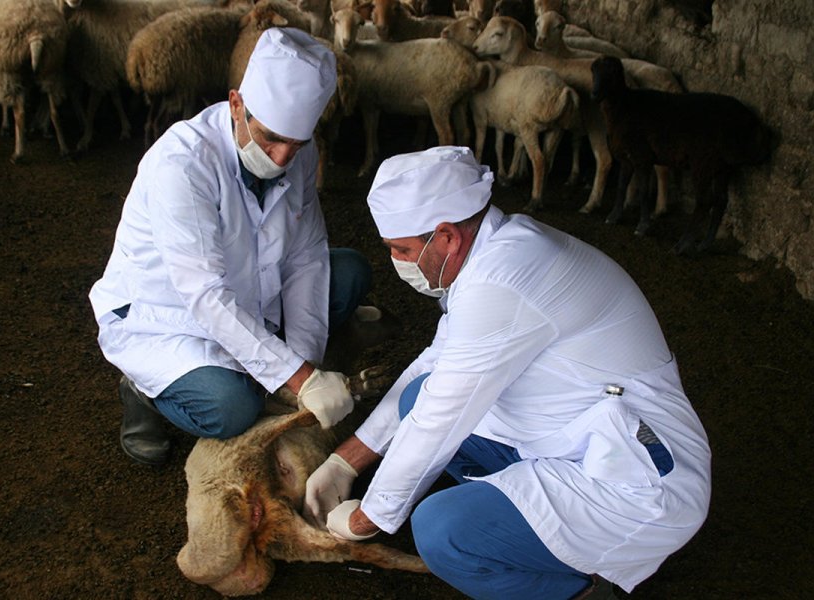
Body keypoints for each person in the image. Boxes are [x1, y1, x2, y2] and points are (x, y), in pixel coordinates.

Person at [303, 146, 712, 599]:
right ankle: (526, 530)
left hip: (638, 479)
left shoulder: (503, 280)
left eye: (402, 250)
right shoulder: (497, 253)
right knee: (417, 397)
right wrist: (345, 460)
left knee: (442, 532)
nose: (397, 261)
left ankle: (580, 589)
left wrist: (368, 518)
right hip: (578, 431)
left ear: (446, 237)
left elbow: (442, 414)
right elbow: (436, 365)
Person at [89, 28, 371, 467]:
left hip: (249, 289)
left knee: (349, 271)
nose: (282, 157)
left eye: (295, 144)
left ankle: (263, 362)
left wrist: (304, 365)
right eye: (270, 138)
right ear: (236, 105)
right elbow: (204, 293)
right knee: (231, 407)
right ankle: (143, 390)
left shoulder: (298, 154)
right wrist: (297, 377)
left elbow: (306, 257)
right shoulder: (184, 164)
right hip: (169, 313)